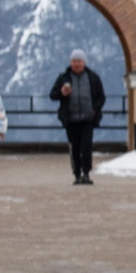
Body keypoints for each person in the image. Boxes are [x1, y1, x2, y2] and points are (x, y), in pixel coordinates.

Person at [48, 50, 107, 184]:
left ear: (84, 62)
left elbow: (101, 97)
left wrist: (95, 109)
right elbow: (52, 95)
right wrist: (62, 93)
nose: (77, 64)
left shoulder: (93, 77)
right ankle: (77, 174)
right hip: (71, 119)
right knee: (74, 148)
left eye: (79, 61)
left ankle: (86, 173)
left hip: (88, 119)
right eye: (74, 61)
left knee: (86, 146)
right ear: (71, 62)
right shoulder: (64, 77)